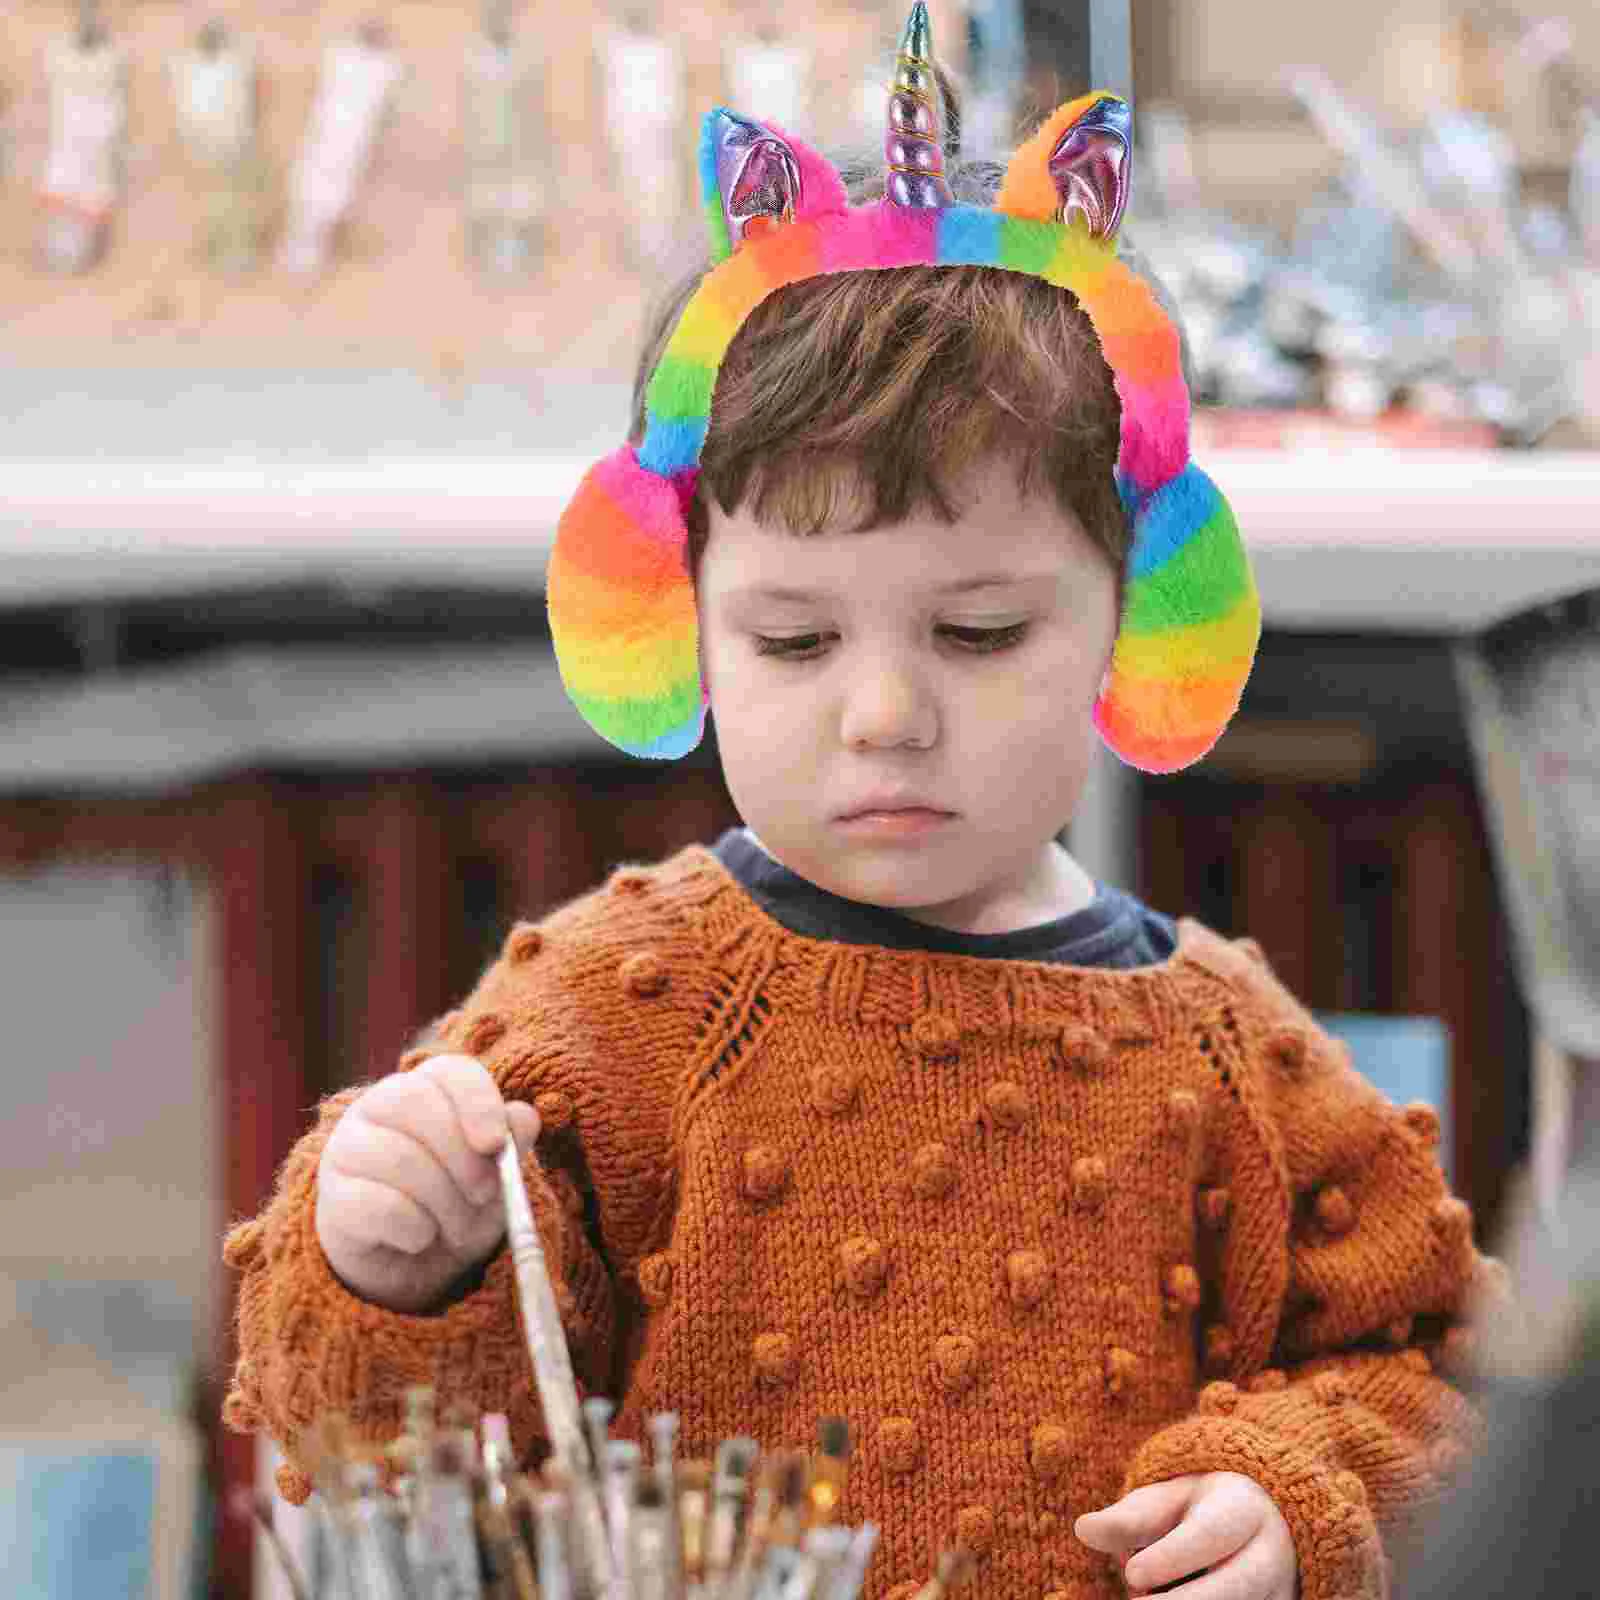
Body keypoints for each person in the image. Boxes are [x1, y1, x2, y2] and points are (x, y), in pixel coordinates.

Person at [221, 9, 1496, 1597]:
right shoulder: (613, 1019)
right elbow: (368, 1456)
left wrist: (1298, 1496)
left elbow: (1438, 1376)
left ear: (1132, 618)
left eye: (977, 632)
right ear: (684, 620)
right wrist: (387, 1267)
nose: (885, 712)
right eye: (795, 638)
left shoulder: (1229, 1055)